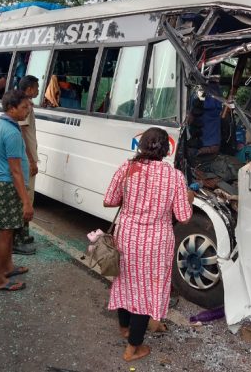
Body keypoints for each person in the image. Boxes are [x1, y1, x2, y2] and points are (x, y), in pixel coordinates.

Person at [103, 127, 194, 362]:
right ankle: (133, 348)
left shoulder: (127, 168)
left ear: (141, 145)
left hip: (128, 238)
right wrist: (188, 198)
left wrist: (132, 199)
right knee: (146, 292)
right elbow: (183, 217)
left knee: (125, 282)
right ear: (166, 149)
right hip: (156, 243)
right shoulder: (174, 177)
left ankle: (125, 329)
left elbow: (109, 201)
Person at [0, 89, 33, 291]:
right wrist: (26, 201)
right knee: (5, 233)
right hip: (7, 186)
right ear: (11, 108)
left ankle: (7, 267)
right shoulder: (12, 133)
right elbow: (15, 171)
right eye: (24, 107)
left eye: (29, 106)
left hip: (1, 184)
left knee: (8, 230)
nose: (28, 111)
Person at [13, 75, 40, 255]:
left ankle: (24, 235)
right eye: (36, 87)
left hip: (25, 157)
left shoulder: (21, 104)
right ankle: (19, 239)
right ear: (29, 89)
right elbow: (23, 133)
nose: (38, 91)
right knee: (26, 199)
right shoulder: (25, 108)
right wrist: (30, 160)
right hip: (25, 158)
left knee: (27, 198)